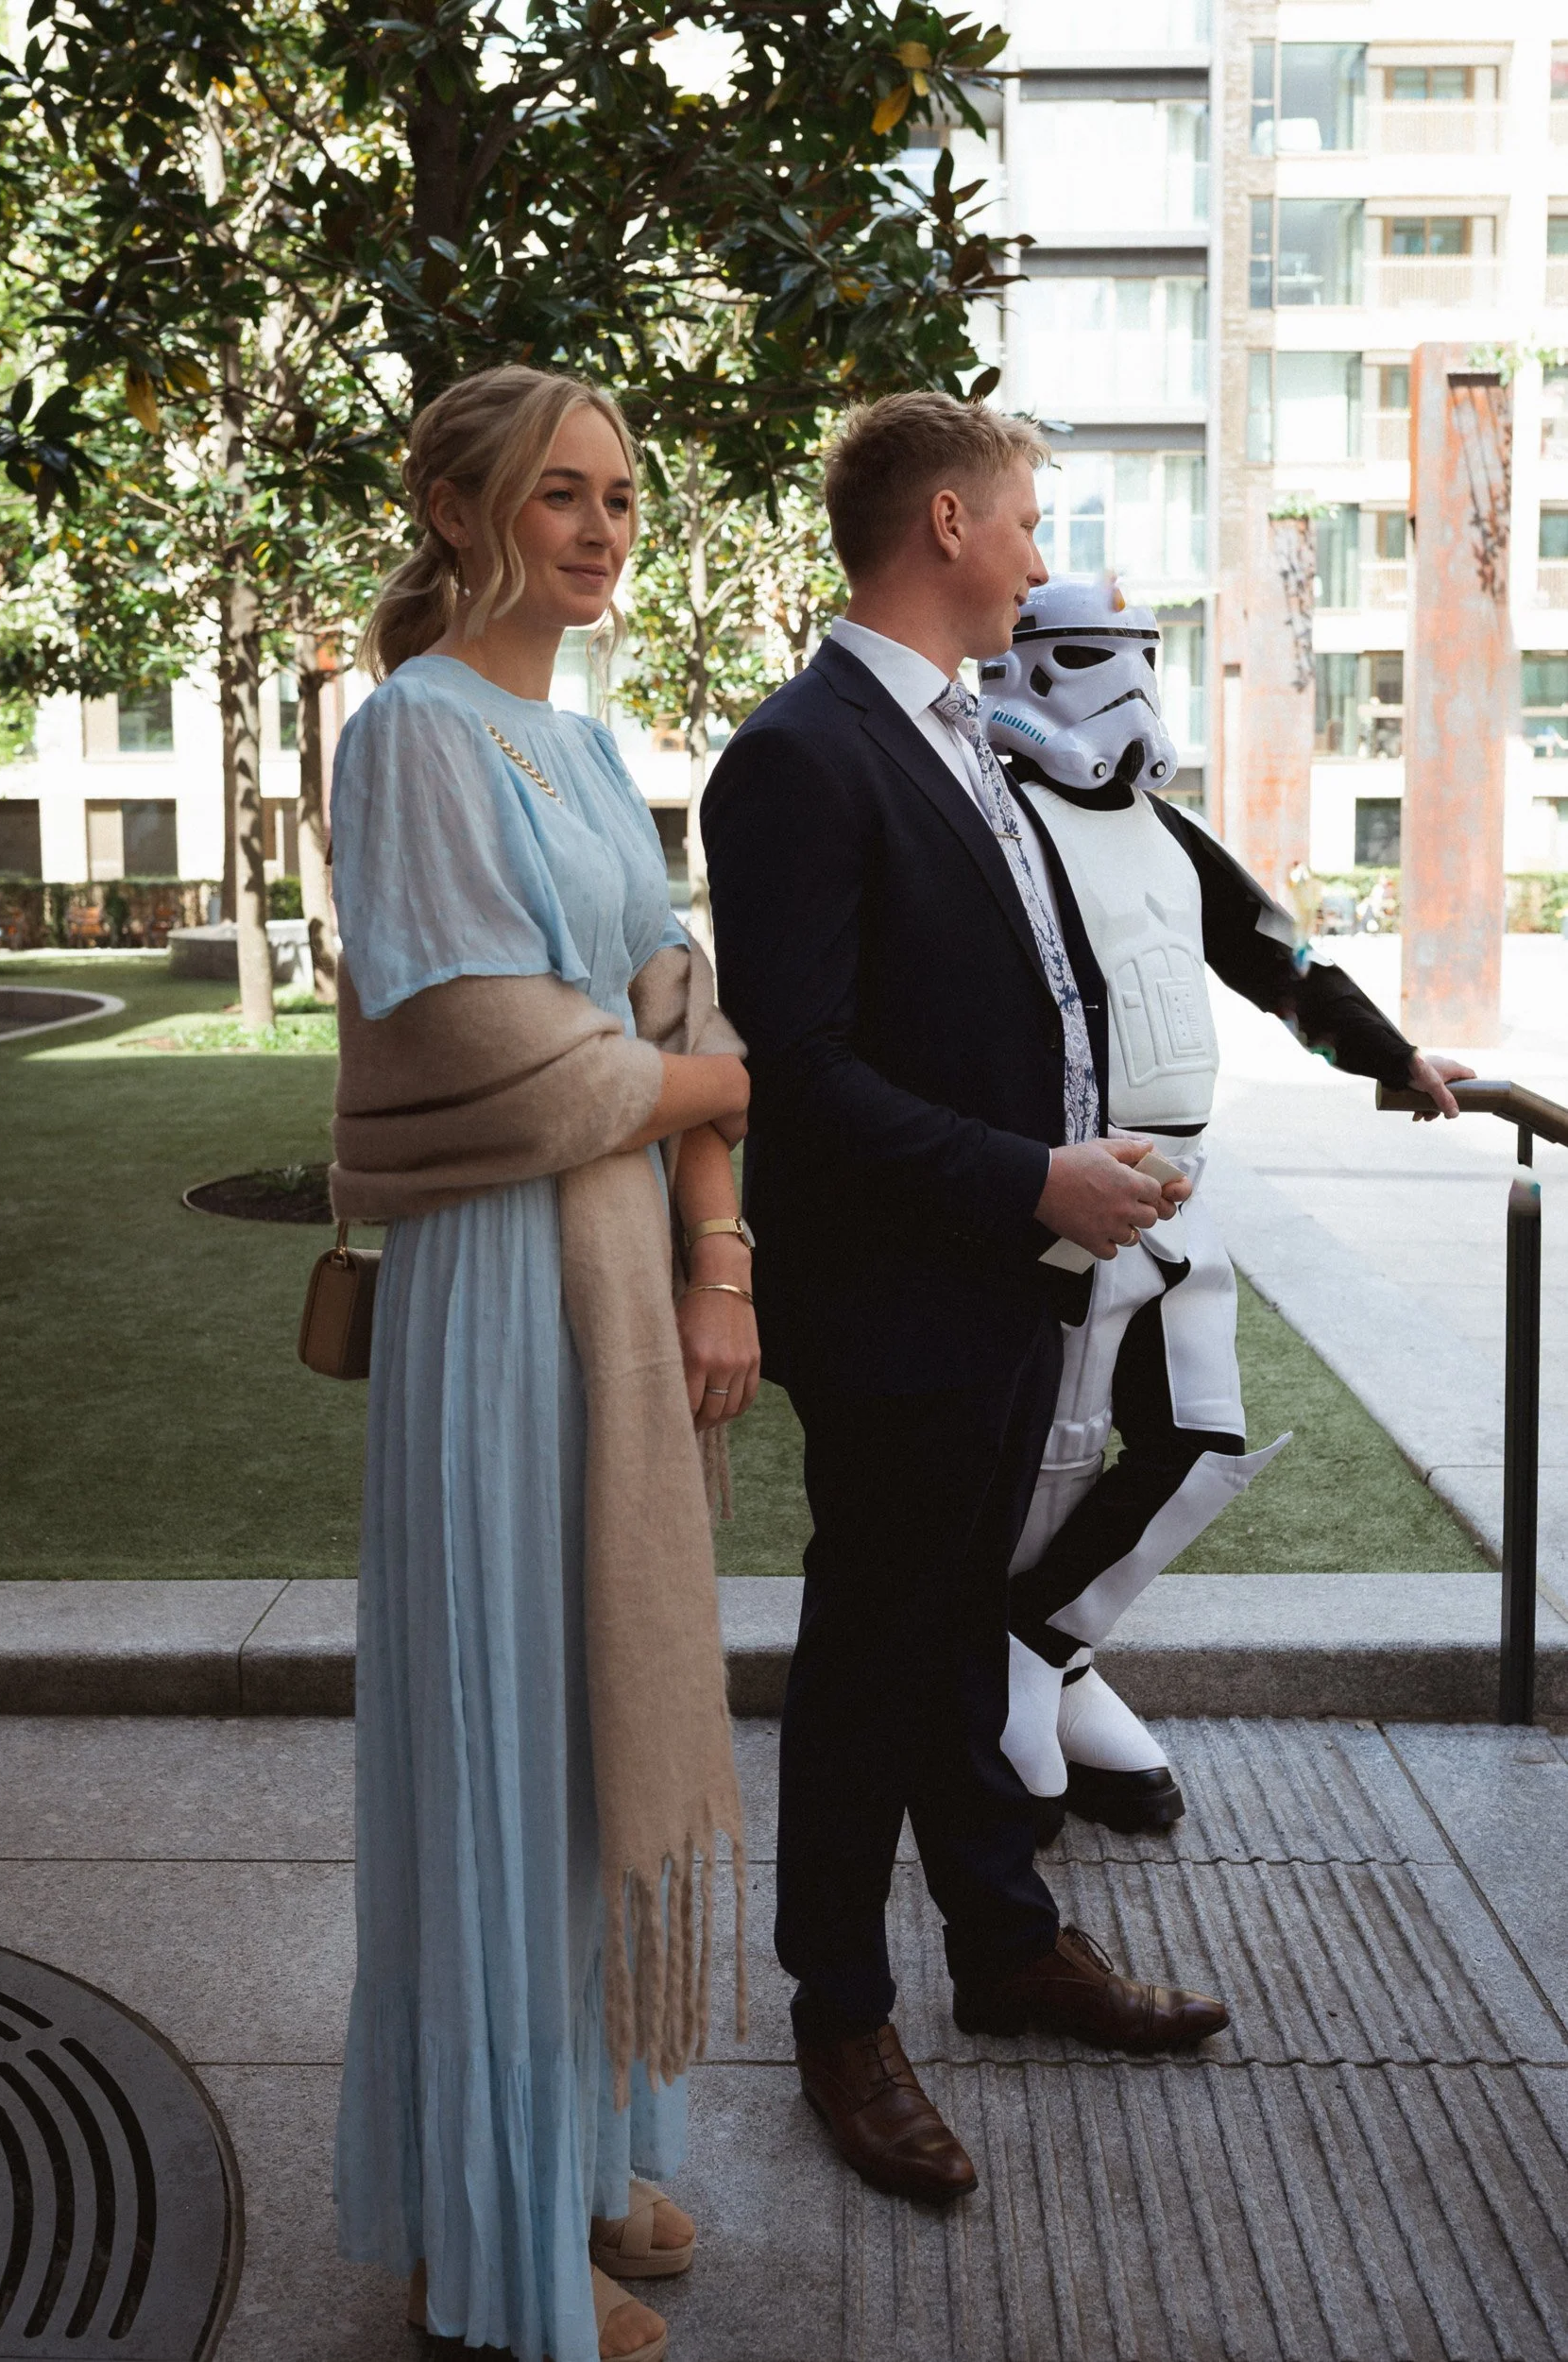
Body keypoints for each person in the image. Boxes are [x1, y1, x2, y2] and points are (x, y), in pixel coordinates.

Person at [702, 390, 1229, 2210]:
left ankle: (1003, 1948)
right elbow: (806, 1068)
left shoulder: (963, 736)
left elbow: (1022, 997)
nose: (1036, 554)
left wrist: (1089, 1154)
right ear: (940, 522)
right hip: (893, 1301)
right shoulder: (799, 752)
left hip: (1004, 1279)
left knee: (953, 1632)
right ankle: (838, 2014)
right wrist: (1034, 1175)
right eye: (1021, 522)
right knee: (873, 1655)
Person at [327, 364, 757, 2362]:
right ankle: (488, 2238)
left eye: (615, 497)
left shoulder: (583, 752)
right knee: (502, 1748)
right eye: (557, 495)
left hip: (610, 1279)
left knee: (592, 1743)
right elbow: (500, 1051)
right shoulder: (410, 730)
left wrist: (717, 1253)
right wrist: (702, 1072)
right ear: (453, 502)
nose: (596, 528)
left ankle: (585, 2147)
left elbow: (664, 1000)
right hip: (495, 1298)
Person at [979, 574, 1476, 1840]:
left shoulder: (1161, 829)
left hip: (1181, 1183)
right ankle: (1028, 1680)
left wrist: (1389, 1056)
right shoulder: (987, 816)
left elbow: (1277, 962)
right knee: (1053, 1454)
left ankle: (1037, 1650)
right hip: (1064, 1184)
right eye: (1100, 655)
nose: (1131, 684)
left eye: (1147, 655)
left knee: (1196, 1441)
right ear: (1024, 665)